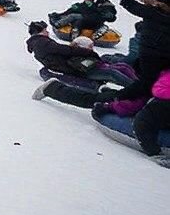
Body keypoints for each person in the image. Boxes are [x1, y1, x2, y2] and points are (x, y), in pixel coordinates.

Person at [33, 69, 170, 165]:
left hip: (148, 89)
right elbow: (142, 121)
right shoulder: (162, 104)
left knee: (116, 95)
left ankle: (107, 93)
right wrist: (154, 153)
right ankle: (52, 88)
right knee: (94, 100)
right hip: (138, 99)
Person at [26, 20, 136, 87]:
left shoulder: (39, 43)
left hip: (77, 65)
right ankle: (137, 88)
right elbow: (66, 51)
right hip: (79, 68)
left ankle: (137, 83)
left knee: (120, 67)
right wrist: (87, 52)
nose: (48, 32)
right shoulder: (42, 42)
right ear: (39, 31)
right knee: (113, 73)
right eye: (45, 30)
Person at [49, 0, 117, 39]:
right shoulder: (78, 5)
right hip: (82, 21)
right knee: (75, 19)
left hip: (92, 21)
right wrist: (57, 15)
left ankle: (99, 30)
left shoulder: (96, 6)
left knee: (74, 16)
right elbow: (67, 12)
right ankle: (74, 31)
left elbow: (102, 14)